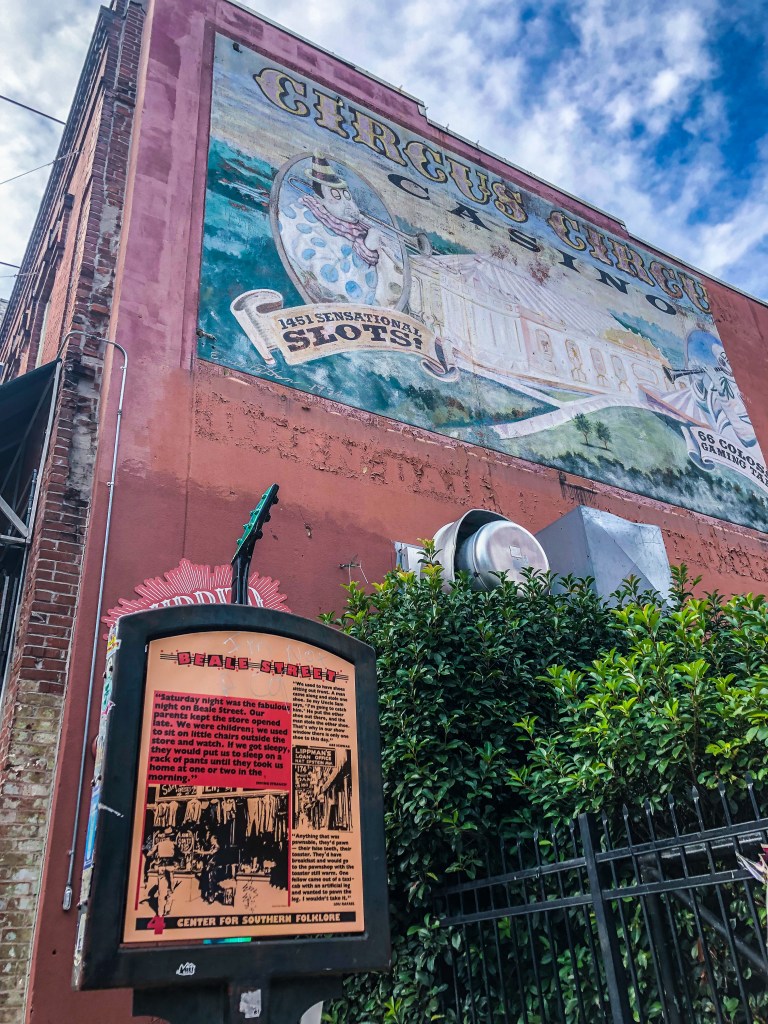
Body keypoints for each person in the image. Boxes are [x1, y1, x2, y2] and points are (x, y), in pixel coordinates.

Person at [278, 153, 404, 308]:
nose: (348, 204)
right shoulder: (302, 220)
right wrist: (366, 249)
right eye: (336, 196)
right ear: (319, 201)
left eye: (347, 196)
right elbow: (334, 280)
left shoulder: (355, 229)